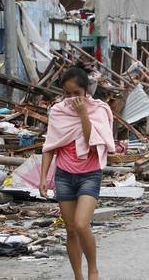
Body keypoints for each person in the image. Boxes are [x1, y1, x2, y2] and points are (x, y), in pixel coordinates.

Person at [39, 66, 115, 280]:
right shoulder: (57, 111)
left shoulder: (98, 110)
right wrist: (44, 178)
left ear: (86, 91)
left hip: (89, 175)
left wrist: (83, 115)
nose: (72, 99)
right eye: (68, 94)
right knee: (71, 229)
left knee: (82, 224)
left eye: (77, 94)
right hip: (63, 176)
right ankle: (78, 276)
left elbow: (93, 144)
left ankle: (93, 269)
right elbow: (50, 146)